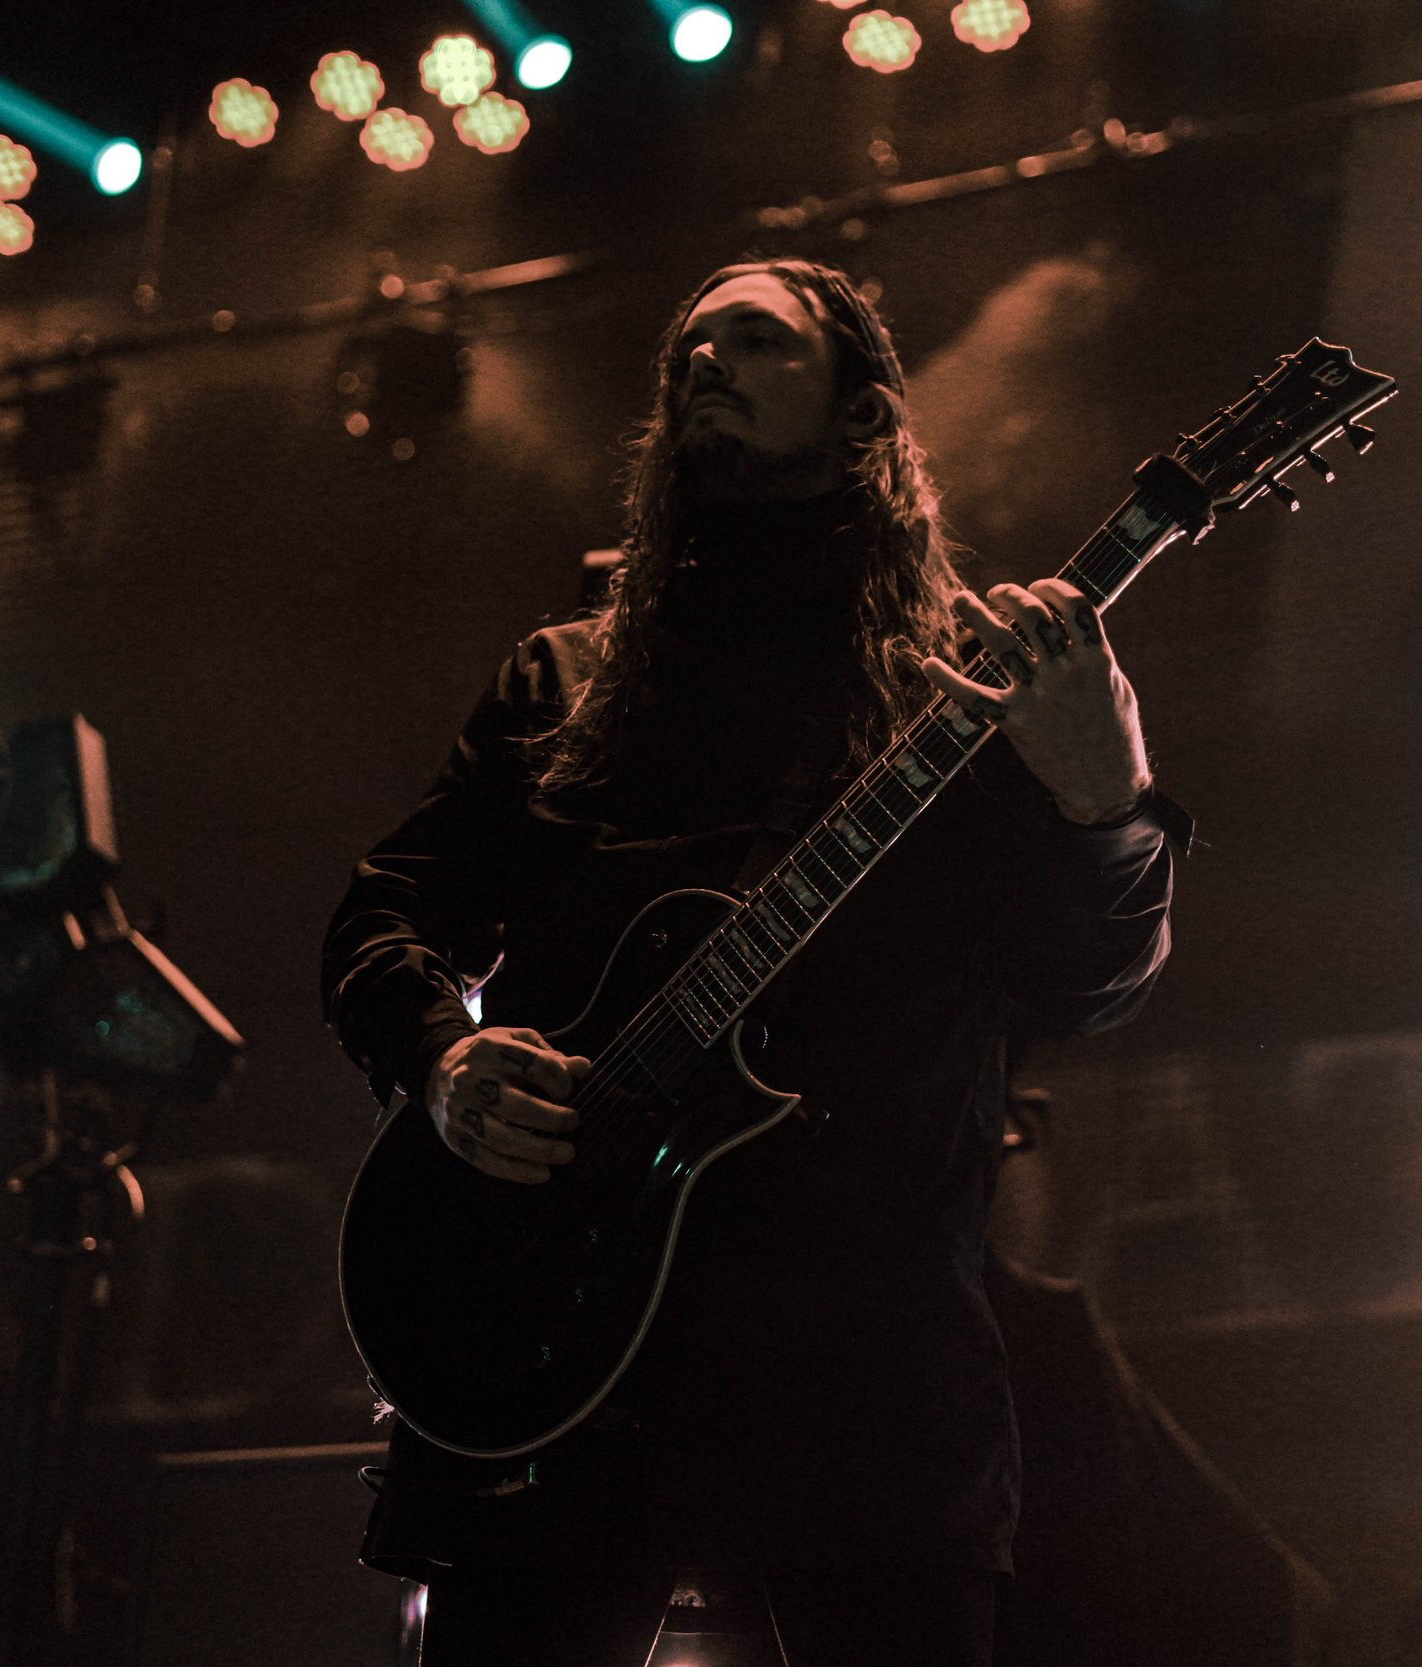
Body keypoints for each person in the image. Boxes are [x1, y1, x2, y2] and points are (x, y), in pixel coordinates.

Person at [321, 259, 1186, 1667]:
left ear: (863, 412)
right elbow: (383, 914)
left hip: (862, 1368)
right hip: (550, 1354)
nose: (703, 365)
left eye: (757, 342)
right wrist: (443, 1055)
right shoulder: (563, 678)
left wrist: (1108, 804)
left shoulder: (969, 689)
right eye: (685, 352)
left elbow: (1092, 985)